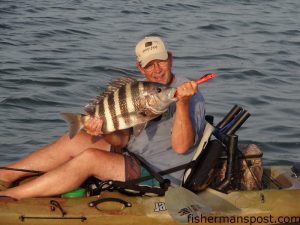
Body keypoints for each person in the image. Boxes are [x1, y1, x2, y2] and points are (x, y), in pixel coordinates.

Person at [0, 36, 205, 200]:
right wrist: (105, 129)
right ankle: (6, 176)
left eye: (161, 60)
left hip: (160, 172)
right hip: (134, 154)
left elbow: (181, 147)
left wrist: (183, 103)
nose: (157, 69)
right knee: (77, 139)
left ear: (170, 58)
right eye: (149, 65)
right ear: (140, 68)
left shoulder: (189, 94)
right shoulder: (143, 90)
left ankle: (10, 196)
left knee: (90, 158)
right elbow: (122, 140)